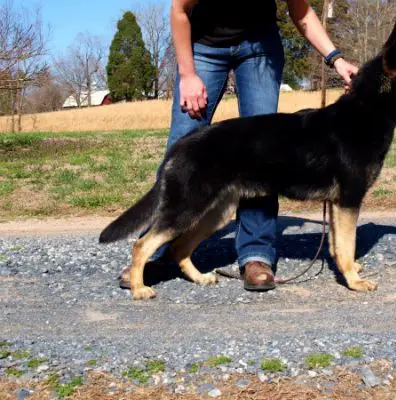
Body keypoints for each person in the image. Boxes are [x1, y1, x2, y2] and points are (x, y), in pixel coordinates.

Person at [121, 0, 359, 292]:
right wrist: (187, 75)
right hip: (203, 47)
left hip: (259, 47)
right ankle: (154, 254)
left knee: (265, 156)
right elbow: (179, 10)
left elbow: (302, 13)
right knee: (184, 147)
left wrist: (336, 58)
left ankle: (256, 255)